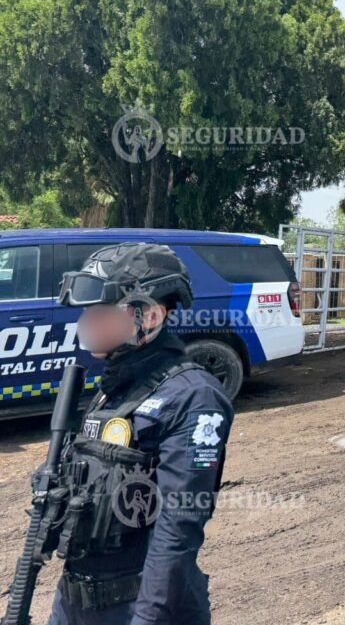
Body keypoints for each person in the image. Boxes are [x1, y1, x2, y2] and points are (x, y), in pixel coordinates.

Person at [47, 243, 233, 625]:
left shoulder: (193, 397)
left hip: (142, 609)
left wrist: (147, 620)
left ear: (148, 316)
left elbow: (178, 529)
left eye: (100, 311)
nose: (86, 321)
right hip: (75, 605)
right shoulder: (112, 388)